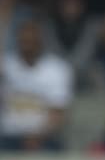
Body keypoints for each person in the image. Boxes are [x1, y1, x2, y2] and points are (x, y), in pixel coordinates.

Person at [1, 19, 72, 151]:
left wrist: (38, 137)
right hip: (8, 136)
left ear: (41, 41)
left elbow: (58, 113)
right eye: (25, 41)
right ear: (18, 40)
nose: (28, 45)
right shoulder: (6, 66)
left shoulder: (56, 69)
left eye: (32, 41)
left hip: (44, 137)